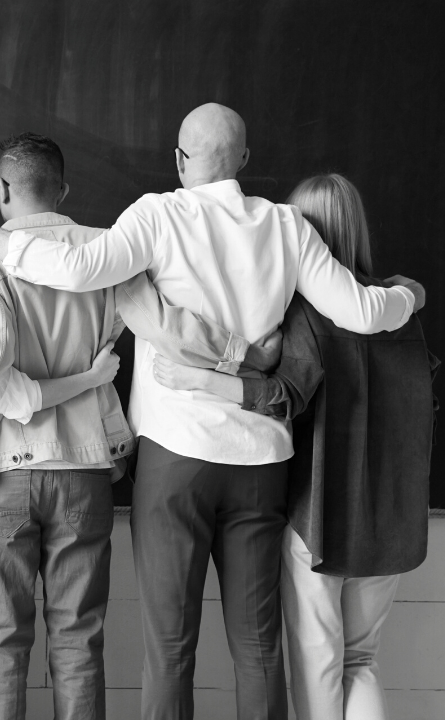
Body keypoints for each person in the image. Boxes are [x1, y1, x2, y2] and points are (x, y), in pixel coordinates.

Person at [0, 105, 425, 720]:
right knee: (257, 647)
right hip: (261, 460)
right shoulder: (287, 226)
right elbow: (361, 311)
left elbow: (76, 268)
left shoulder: (158, 214)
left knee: (170, 647)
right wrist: (406, 296)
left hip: (176, 458)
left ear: (178, 160)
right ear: (244, 161)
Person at [148, 174, 436, 720]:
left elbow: (288, 394)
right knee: (362, 661)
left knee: (319, 664)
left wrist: (210, 380)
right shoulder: (403, 314)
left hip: (321, 516)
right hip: (394, 516)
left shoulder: (306, 313)